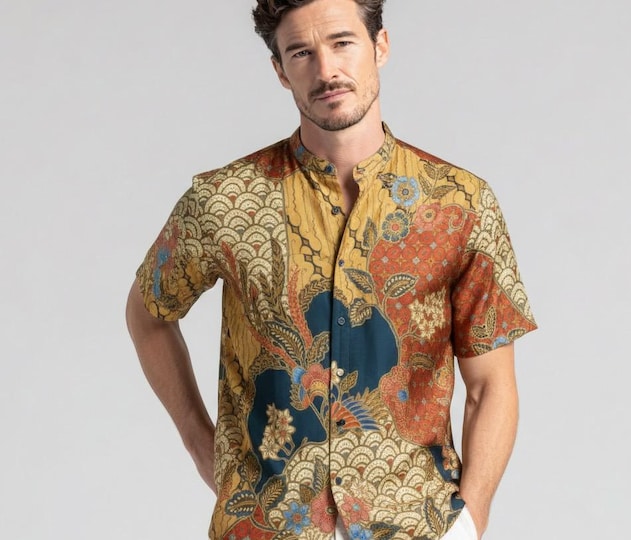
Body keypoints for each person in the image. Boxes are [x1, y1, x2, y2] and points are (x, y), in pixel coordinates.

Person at [125, 0, 537, 538]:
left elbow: (491, 386)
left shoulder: (459, 204)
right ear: (280, 70)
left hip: (417, 523)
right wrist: (201, 445)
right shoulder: (225, 201)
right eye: (301, 52)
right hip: (268, 525)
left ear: (380, 46)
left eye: (342, 43)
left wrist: (471, 521)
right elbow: (148, 315)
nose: (326, 70)